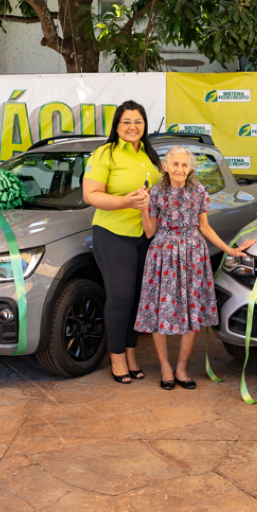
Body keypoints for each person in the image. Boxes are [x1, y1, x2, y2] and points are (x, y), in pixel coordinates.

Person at [136, 147, 255, 389]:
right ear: (166, 167)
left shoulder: (199, 190)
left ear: (190, 168)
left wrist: (230, 250)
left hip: (193, 255)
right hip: (163, 255)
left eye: (184, 164)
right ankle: (166, 368)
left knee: (191, 313)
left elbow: (205, 227)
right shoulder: (157, 191)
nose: (179, 169)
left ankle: (181, 368)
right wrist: (143, 207)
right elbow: (149, 231)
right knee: (160, 312)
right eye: (175, 164)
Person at [83, 100, 161, 384]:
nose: (132, 127)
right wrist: (126, 201)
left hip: (145, 236)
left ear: (144, 125)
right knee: (121, 297)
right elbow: (91, 194)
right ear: (116, 126)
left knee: (139, 299)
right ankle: (116, 358)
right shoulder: (106, 153)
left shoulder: (150, 156)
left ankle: (130, 353)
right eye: (126, 121)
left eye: (138, 121)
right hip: (113, 234)